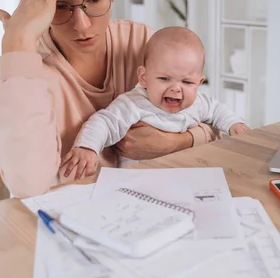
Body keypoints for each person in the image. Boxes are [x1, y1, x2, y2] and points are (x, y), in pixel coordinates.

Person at [0, 0, 219, 198]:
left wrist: (175, 142)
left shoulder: (142, 43)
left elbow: (213, 122)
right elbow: (27, 186)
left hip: (148, 202)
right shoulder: (27, 68)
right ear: (35, 0)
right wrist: (17, 45)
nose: (82, 24)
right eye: (60, 6)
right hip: (70, 214)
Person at [63, 27, 250, 173]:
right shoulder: (133, 103)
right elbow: (104, 121)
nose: (176, 88)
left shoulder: (199, 102)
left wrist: (235, 123)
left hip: (185, 175)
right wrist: (88, 147)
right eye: (164, 79)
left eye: (186, 81)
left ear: (198, 83)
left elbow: (218, 110)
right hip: (138, 181)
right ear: (144, 77)